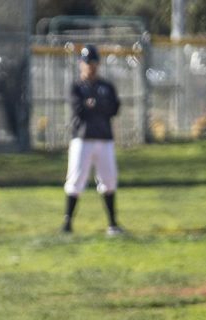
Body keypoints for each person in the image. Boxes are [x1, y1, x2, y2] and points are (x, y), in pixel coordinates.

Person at [61, 44, 124, 236]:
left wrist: (94, 105)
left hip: (104, 138)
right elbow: (78, 109)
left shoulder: (106, 86)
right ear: (81, 63)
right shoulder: (77, 87)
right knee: (76, 179)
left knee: (109, 179)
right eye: (87, 62)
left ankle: (113, 224)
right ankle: (67, 223)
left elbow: (114, 108)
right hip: (82, 138)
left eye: (94, 62)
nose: (91, 66)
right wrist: (96, 106)